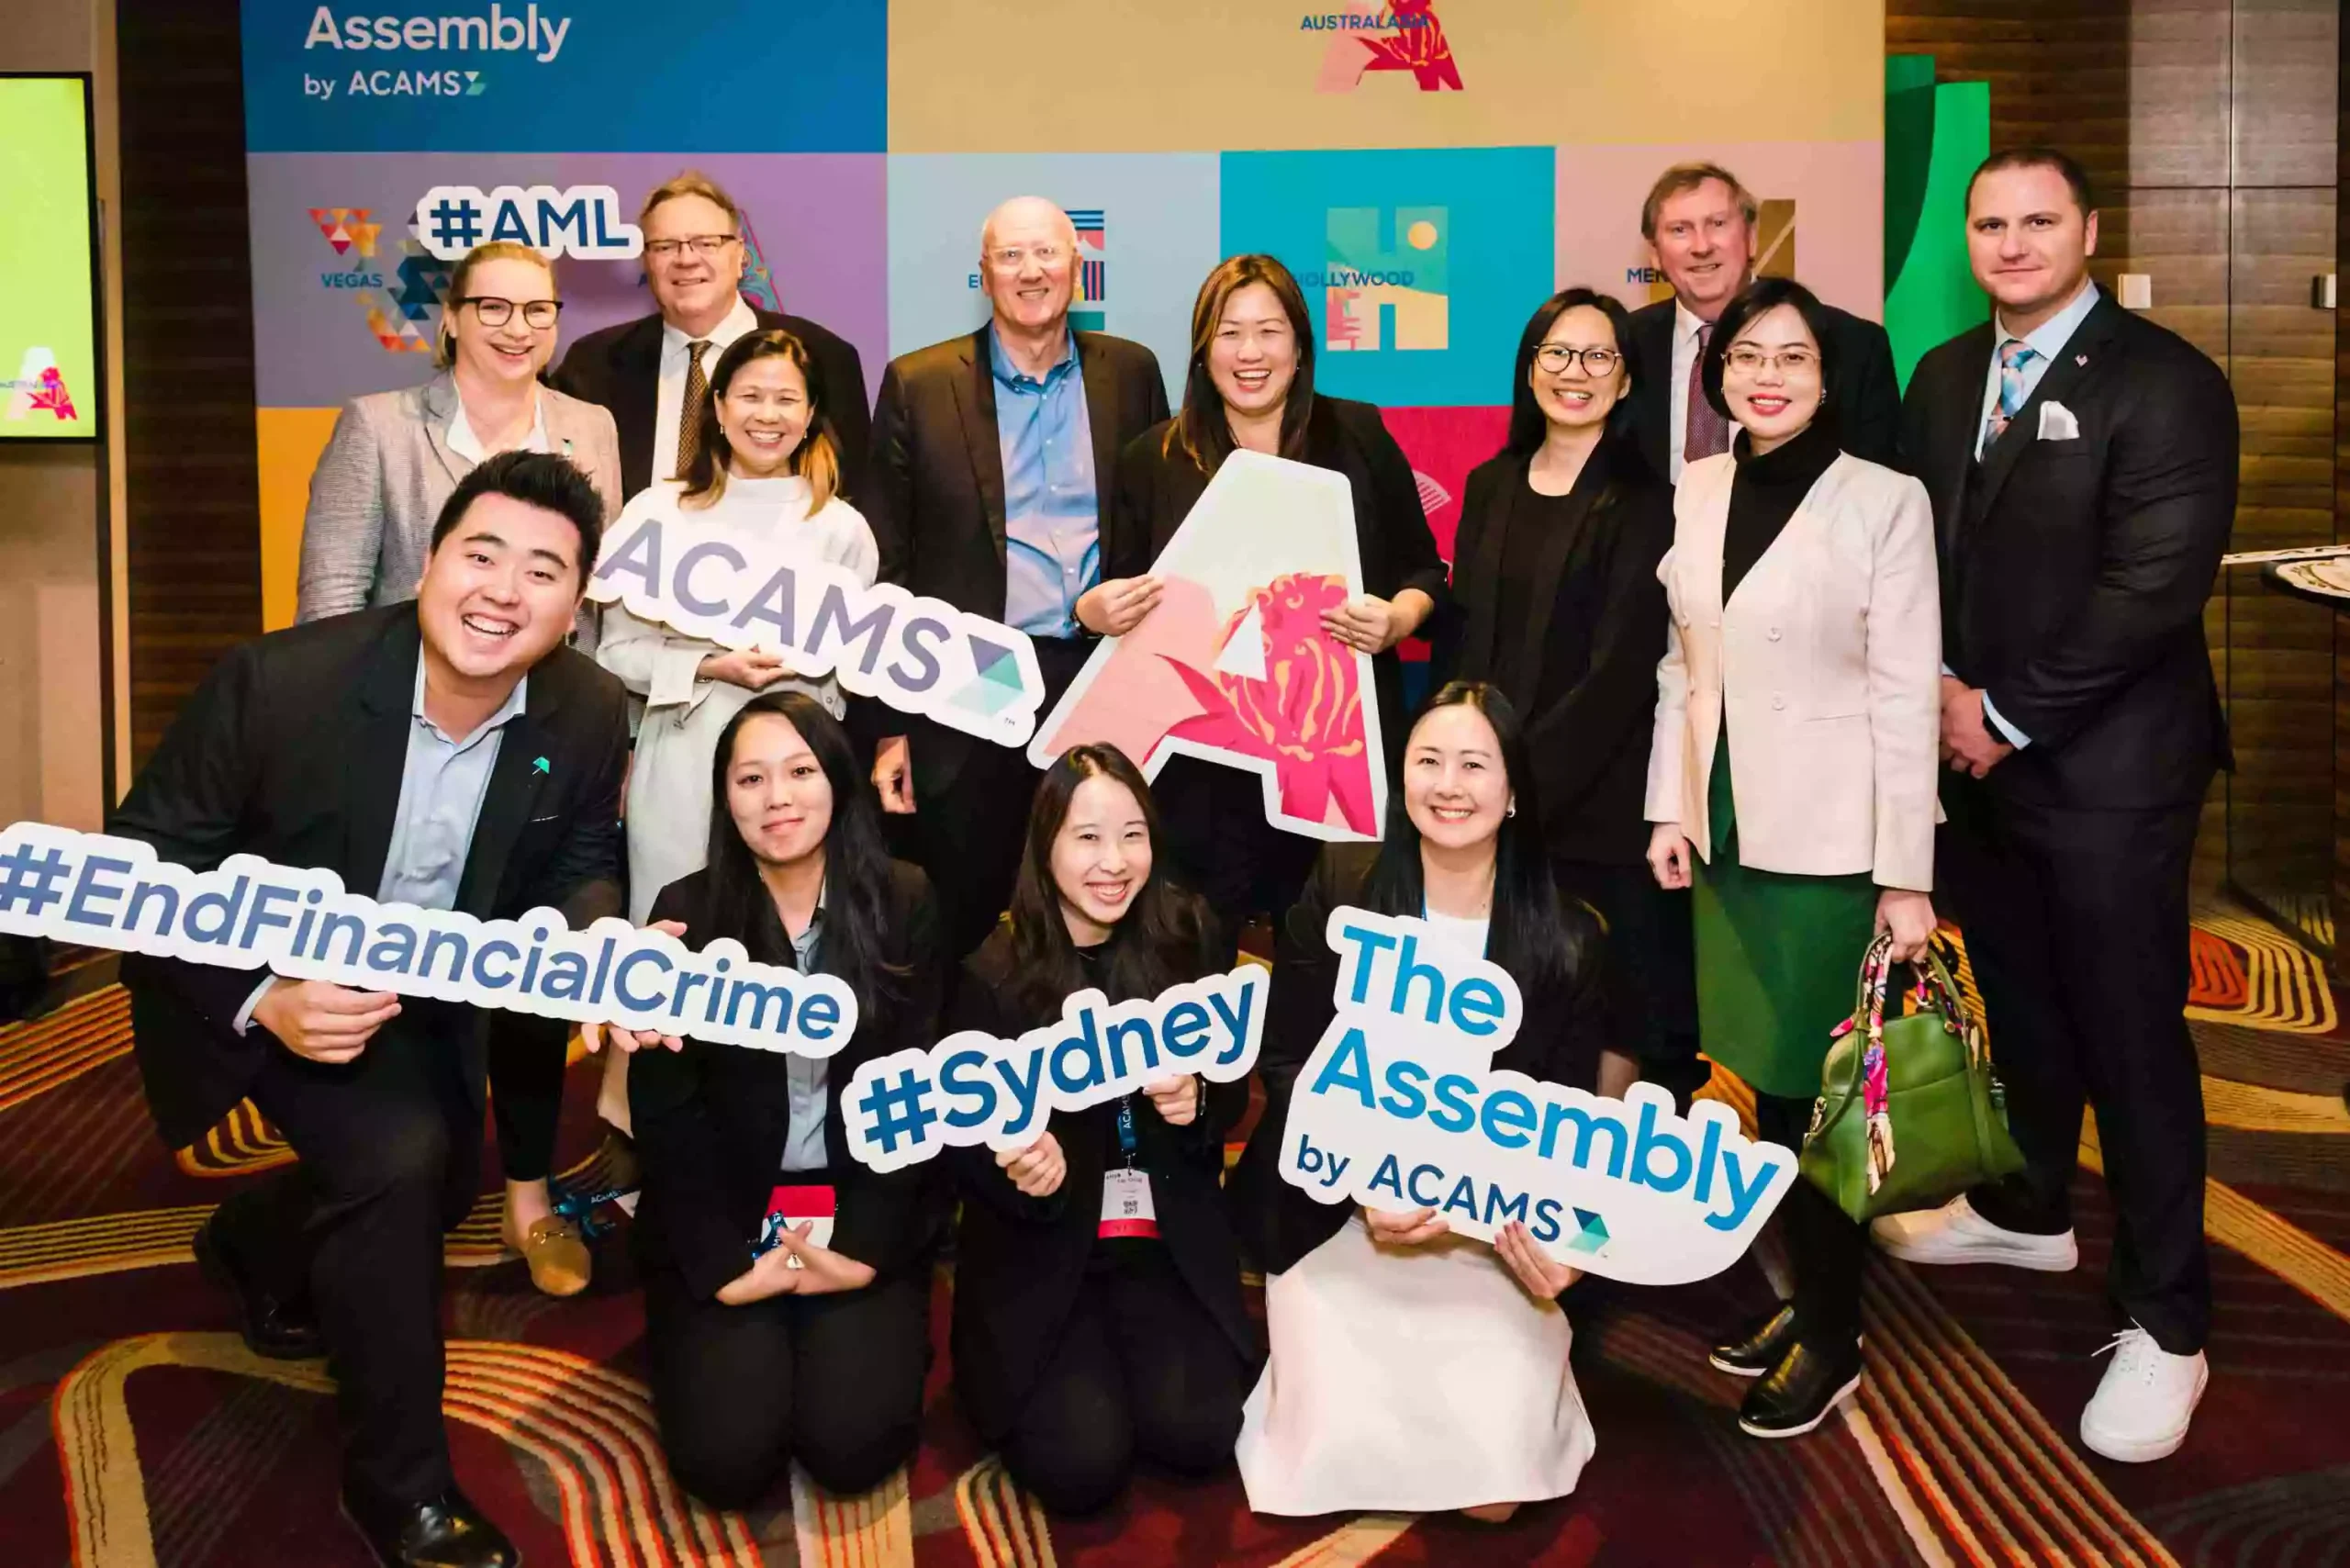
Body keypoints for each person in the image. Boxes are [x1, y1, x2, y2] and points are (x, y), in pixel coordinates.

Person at [111, 453, 633, 1568]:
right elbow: (141, 860)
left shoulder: (587, 709)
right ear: (429, 561)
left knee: (445, 1179)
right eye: (480, 554)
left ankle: (254, 1241)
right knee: (401, 1162)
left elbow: (583, 858)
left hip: (429, 994)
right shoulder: (281, 683)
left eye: (542, 571)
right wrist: (263, 996)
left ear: (575, 606)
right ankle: (402, 1488)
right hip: (260, 980)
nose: (502, 590)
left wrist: (596, 942)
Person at [1874, 148, 2238, 1464]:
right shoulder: (1944, 375)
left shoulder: (2166, 382)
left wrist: (2004, 712)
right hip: (1976, 765)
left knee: (2130, 1032)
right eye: (1990, 224)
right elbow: (1916, 547)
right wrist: (1941, 702)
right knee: (2019, 999)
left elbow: (2155, 583)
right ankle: (2032, 1206)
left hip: (2110, 773)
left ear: (2089, 227)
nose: (2012, 244)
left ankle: (2170, 1319)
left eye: (2038, 221)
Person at [294, 239, 623, 1296]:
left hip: (534, 748)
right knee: (394, 1031)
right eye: (493, 305)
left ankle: (527, 1195)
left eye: (540, 309)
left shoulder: (590, 430)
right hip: (403, 755)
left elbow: (595, 608)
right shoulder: (378, 428)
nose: (518, 327)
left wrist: (590, 745)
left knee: (532, 967)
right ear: (449, 317)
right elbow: (329, 606)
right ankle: (379, 1189)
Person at [1642, 277, 1941, 1439]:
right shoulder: (1701, 484)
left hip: (1831, 846)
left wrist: (1904, 872)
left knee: (1822, 1105)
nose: (1767, 376)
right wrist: (1672, 805)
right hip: (1725, 835)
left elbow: (1906, 692)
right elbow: (1683, 665)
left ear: (1828, 377)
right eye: (1746, 357)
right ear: (1719, 379)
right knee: (1764, 1090)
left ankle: (1837, 1333)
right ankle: (1807, 1297)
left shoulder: (1884, 500)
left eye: (1793, 358)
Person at [1230, 682, 1602, 1518]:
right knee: (1335, 1458)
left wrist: (1562, 1238)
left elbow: (1574, 1130)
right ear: (1401, 779)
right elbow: (1285, 1060)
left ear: (1513, 795)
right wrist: (1363, 1180)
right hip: (1341, 1212)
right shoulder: (1341, 885)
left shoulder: (1567, 939)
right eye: (1428, 762)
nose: (1449, 786)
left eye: (1475, 765)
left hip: (1485, 1232)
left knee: (1490, 1496)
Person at [629, 692, 946, 1507]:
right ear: (724, 799)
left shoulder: (905, 900)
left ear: (838, 780)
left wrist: (868, 1246)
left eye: (800, 771)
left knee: (853, 1447)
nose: (777, 798)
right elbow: (668, 1112)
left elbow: (916, 1091)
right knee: (728, 1461)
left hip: (859, 1202)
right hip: (732, 1213)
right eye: (750, 778)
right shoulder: (686, 915)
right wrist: (725, 1269)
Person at [1092, 253, 1448, 946]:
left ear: (1300, 345)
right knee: (1197, 963)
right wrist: (1094, 612)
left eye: (1269, 331)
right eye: (1229, 333)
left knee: (1330, 955)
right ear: (1202, 350)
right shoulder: (1152, 459)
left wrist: (1398, 617)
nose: (1250, 353)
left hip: (1336, 758)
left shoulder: (1358, 435)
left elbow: (1424, 570)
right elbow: (1119, 598)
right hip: (1202, 771)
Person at [590, 329, 877, 1154]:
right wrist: (709, 664)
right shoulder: (656, 514)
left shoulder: (840, 529)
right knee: (674, 955)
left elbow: (856, 668)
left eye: (787, 397)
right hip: (683, 762)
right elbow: (613, 650)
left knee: (788, 959)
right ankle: (644, 1145)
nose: (767, 413)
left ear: (813, 413)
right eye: (749, 395)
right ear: (716, 407)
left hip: (794, 784)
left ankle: (788, 1145)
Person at [948, 745, 1256, 1515]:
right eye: (1086, 837)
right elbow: (961, 1151)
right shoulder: (994, 971)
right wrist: (1018, 1166)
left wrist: (1201, 1102)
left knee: (1200, 1436)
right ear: (1044, 843)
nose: (1113, 862)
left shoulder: (1189, 935)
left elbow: (1231, 1094)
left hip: (1162, 1241)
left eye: (1132, 834)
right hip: (1048, 1252)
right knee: (1084, 1466)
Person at [865, 196, 1170, 960]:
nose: (1031, 272)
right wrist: (889, 726)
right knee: (964, 909)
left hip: (1102, 669)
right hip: (971, 680)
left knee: (1107, 905)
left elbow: (1162, 527)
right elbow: (887, 567)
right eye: (1010, 257)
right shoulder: (920, 383)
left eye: (1047, 254)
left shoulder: (1132, 374)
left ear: (1077, 266)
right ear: (984, 273)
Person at [1432, 286, 1682, 1103]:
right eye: (1557, 354)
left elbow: (1618, 672)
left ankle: (1596, 1174)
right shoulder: (1490, 482)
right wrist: (1464, 775)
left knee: (1611, 997)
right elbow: (1463, 638)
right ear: (1530, 368)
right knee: (1501, 998)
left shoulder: (1648, 503)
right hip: (1486, 800)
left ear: (1625, 381)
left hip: (1594, 802)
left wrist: (1518, 786)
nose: (1576, 373)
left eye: (1598, 356)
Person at [550, 170, 871, 501]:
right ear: (646, 261)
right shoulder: (593, 365)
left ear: (740, 256)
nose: (687, 259)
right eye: (665, 246)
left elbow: (858, 494)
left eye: (707, 243)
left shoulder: (823, 357)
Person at [1622, 162, 1901, 482]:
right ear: (1655, 255)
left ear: (1752, 238)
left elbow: (1876, 489)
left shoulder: (1853, 345)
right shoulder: (1624, 344)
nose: (1701, 246)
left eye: (1717, 223)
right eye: (1680, 230)